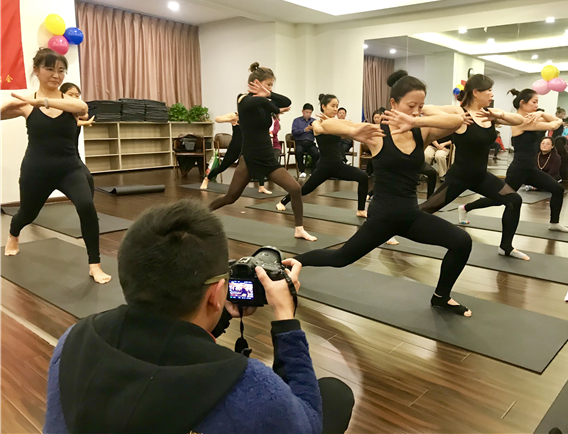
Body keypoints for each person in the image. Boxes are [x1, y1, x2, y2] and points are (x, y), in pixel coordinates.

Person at [44, 199, 355, 434]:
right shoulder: (248, 385)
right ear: (215, 293)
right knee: (335, 394)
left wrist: (220, 316)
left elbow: (168, 346)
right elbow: (308, 425)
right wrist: (286, 319)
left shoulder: (73, 340)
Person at [295, 70, 474, 317]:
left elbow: (458, 120)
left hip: (410, 216)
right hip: (382, 218)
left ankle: (441, 297)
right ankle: (294, 262)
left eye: (420, 106)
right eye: (410, 105)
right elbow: (325, 125)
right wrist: (353, 131)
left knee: (461, 242)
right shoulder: (377, 133)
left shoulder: (421, 132)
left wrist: (416, 120)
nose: (416, 111)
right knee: (341, 258)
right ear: (393, 103)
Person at [1, 48, 110, 283]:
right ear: (36, 71)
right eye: (49, 69)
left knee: (86, 206)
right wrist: (15, 103)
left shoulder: (71, 103)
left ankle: (94, 264)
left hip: (69, 168)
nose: (56, 75)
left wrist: (41, 101)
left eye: (61, 70)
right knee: (27, 214)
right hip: (36, 170)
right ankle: (13, 233)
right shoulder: (26, 106)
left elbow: (83, 109)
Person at [418, 74, 528, 261]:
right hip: (459, 177)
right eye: (489, 90)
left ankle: (506, 247)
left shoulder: (489, 114)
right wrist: (455, 118)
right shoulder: (459, 111)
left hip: (481, 176)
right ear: (476, 92)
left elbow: (519, 120)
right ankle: (390, 228)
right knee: (427, 208)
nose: (492, 94)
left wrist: (499, 115)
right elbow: (426, 109)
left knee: (514, 200)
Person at [209, 63, 320, 240]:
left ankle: (299, 229)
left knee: (295, 188)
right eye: (268, 84)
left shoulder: (264, 101)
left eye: (271, 85)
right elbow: (272, 107)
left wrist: (269, 96)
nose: (271, 88)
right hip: (250, 157)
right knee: (230, 197)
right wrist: (271, 103)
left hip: (267, 157)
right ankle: (201, 215)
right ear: (256, 83)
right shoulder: (243, 100)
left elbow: (286, 102)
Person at [463, 88, 568, 236]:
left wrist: (540, 113)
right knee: (500, 199)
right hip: (518, 169)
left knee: (558, 190)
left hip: (531, 170)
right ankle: (466, 208)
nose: (536, 105)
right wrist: (542, 115)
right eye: (534, 102)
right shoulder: (520, 121)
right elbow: (555, 124)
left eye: (537, 103)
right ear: (522, 103)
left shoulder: (533, 118)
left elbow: (556, 122)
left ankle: (554, 223)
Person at [276, 94, 369, 217]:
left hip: (338, 165)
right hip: (324, 167)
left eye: (337, 106)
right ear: (324, 106)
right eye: (332, 106)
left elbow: (350, 124)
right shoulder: (316, 123)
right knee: (305, 189)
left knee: (363, 177)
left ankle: (361, 210)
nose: (335, 109)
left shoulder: (336, 123)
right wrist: (336, 125)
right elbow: (320, 130)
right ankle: (283, 201)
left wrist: (336, 124)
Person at [201, 110, 271, 195]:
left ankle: (261, 187)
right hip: (235, 147)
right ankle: (207, 179)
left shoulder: (251, 117)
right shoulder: (236, 116)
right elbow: (217, 119)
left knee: (258, 164)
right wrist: (231, 119)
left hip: (247, 147)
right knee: (223, 166)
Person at [59, 82, 95, 197]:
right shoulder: (57, 111)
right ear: (62, 95)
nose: (74, 98)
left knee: (87, 179)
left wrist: (84, 120)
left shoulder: (76, 111)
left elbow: (84, 115)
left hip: (73, 155)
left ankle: (88, 204)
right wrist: (85, 123)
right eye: (70, 94)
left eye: (77, 95)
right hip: (56, 155)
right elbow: (67, 123)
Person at [291, 103, 320, 178]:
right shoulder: (296, 121)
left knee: (316, 153)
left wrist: (313, 129)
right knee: (298, 152)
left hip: (310, 143)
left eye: (310, 113)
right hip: (300, 142)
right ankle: (302, 171)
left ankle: (313, 171)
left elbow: (318, 133)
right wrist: (304, 130)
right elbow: (294, 132)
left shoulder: (314, 121)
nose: (308, 114)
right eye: (306, 112)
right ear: (303, 111)